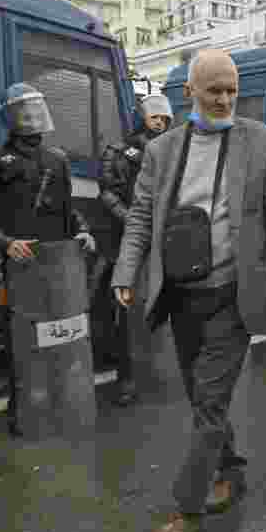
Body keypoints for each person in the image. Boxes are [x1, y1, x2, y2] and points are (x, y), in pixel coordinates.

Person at [111, 49, 266, 532]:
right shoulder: (162, 150)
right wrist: (126, 271)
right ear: (189, 91)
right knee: (200, 395)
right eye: (214, 90)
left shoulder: (265, 145)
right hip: (181, 294)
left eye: (231, 91)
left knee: (209, 401)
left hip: (233, 297)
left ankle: (185, 512)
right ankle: (231, 469)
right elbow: (142, 216)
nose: (224, 99)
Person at [0, 82, 96, 437]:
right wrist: (6, 243)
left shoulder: (57, 159)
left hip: (58, 264)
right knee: (20, 341)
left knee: (59, 338)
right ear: (10, 118)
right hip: (17, 267)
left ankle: (61, 404)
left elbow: (68, 210)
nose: (33, 116)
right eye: (24, 110)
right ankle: (23, 410)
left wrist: (82, 231)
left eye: (37, 108)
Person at [98, 93, 174, 405]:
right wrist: (135, 222)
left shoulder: (172, 152)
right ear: (141, 117)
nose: (160, 122)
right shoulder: (119, 151)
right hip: (129, 241)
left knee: (165, 305)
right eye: (155, 116)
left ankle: (158, 370)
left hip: (164, 241)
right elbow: (108, 194)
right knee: (126, 311)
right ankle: (126, 378)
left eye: (165, 118)